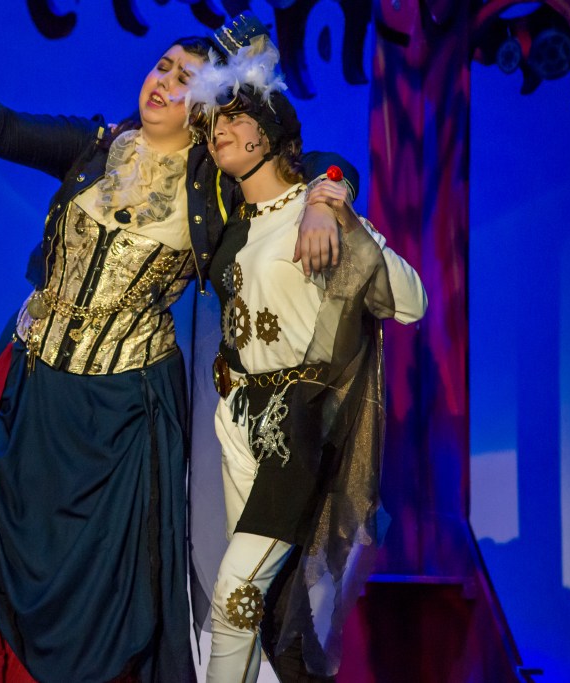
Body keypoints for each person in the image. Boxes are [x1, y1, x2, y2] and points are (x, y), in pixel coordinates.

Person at [0, 20, 358, 683]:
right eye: (162, 66)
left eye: (185, 79)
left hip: (123, 415)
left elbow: (316, 162)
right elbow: (6, 126)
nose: (164, 82)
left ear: (208, 108)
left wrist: (323, 198)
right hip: (30, 393)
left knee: (107, 597)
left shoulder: (214, 190)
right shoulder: (97, 146)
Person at [186, 31, 428, 683]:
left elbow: (410, 302)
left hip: (297, 422)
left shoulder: (316, 207)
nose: (219, 130)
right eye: (213, 122)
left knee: (236, 593)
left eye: (236, 117)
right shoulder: (234, 223)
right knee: (271, 613)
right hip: (238, 421)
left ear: (268, 132)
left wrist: (336, 209)